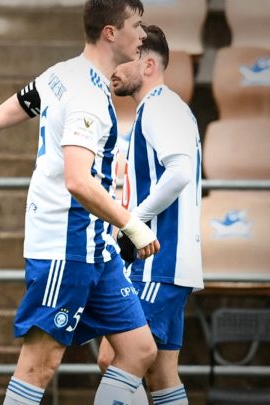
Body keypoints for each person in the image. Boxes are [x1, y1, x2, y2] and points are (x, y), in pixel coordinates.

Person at [0, 0, 161, 404]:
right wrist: (131, 224)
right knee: (38, 365)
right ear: (110, 33)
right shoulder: (87, 95)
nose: (143, 35)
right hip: (66, 246)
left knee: (140, 350)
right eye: (137, 25)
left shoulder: (59, 75)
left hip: (95, 249)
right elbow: (78, 180)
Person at [96, 25, 203, 405]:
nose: (114, 69)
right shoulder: (162, 108)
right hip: (168, 263)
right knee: (161, 373)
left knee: (115, 357)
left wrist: (132, 222)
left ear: (149, 65)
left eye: (124, 62)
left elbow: (179, 171)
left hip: (158, 261)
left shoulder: (160, 106)